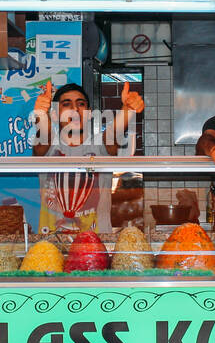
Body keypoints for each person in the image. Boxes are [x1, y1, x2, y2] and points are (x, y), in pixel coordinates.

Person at [29, 80, 144, 231]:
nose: (74, 109)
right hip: (52, 248)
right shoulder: (49, 147)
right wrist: (41, 116)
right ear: (55, 115)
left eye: (81, 104)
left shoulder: (100, 146)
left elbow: (113, 134)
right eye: (66, 104)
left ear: (89, 113)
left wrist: (128, 110)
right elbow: (44, 137)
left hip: (97, 247)